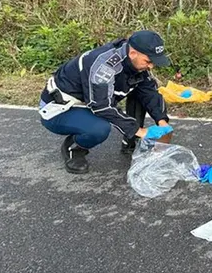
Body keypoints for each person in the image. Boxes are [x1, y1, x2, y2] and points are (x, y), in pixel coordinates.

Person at [38, 30, 173, 174]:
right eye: (148, 61)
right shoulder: (104, 66)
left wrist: (162, 121)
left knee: (141, 89)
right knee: (99, 129)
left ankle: (130, 141)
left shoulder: (133, 59)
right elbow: (101, 106)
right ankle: (74, 148)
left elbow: (150, 93)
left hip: (90, 101)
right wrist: (139, 130)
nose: (151, 66)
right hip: (61, 109)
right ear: (133, 53)